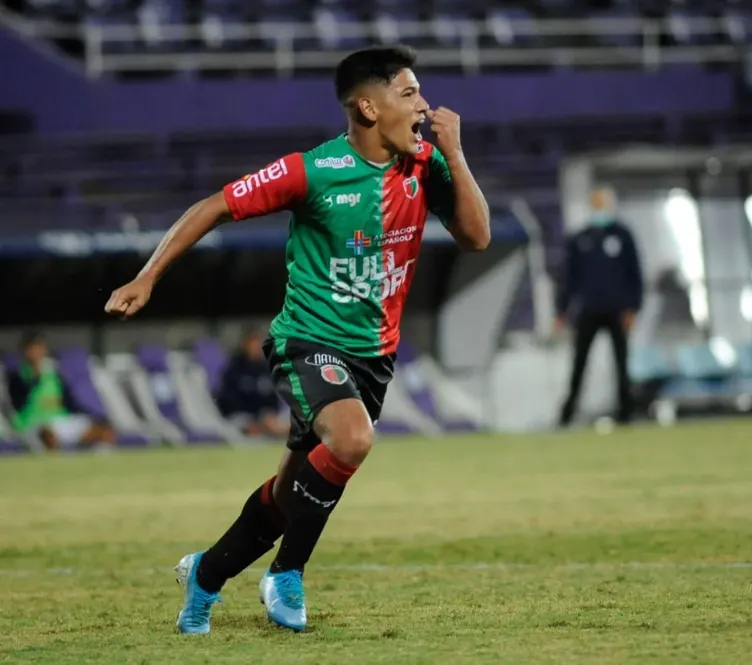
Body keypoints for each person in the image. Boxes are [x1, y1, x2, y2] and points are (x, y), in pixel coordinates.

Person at [104, 45, 490, 634]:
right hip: (306, 343)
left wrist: (456, 155)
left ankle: (205, 576)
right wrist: (149, 274)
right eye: (408, 93)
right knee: (352, 440)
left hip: (372, 359)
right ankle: (287, 573)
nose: (423, 105)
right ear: (367, 106)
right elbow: (214, 207)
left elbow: (476, 237)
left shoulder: (425, 165)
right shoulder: (311, 171)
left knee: (290, 496)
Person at [556, 186, 643, 427]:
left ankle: (626, 413)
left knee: (622, 364)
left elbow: (635, 273)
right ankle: (567, 415)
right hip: (588, 310)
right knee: (579, 365)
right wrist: (562, 311)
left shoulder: (623, 235)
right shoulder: (580, 238)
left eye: (603, 204)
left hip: (617, 310)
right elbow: (570, 279)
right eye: (596, 205)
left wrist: (633, 308)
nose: (599, 209)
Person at [6, 331, 116, 451]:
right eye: (31, 348)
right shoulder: (16, 377)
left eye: (39, 348)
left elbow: (70, 403)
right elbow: (18, 404)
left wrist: (92, 416)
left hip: (61, 422)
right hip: (33, 424)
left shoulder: (55, 375)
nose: (35, 352)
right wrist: (35, 379)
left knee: (103, 431)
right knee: (47, 434)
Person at [217, 327, 289, 438]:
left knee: (284, 421)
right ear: (245, 344)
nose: (255, 347)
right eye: (252, 343)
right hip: (240, 416)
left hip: (264, 417)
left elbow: (272, 397)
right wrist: (255, 419)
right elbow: (228, 400)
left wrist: (268, 415)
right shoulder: (234, 369)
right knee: (245, 427)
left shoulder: (265, 368)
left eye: (257, 343)